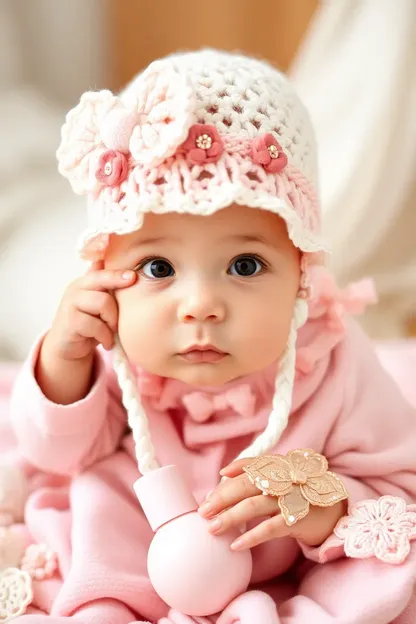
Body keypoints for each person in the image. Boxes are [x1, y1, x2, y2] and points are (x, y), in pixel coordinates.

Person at [8, 49, 416, 623]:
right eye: (157, 269)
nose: (199, 306)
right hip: (137, 530)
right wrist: (63, 360)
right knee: (94, 505)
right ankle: (109, 605)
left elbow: (398, 484)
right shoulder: (113, 349)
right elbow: (55, 451)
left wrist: (320, 504)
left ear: (303, 273)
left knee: (383, 575)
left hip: (278, 556)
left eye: (245, 266)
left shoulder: (333, 358)